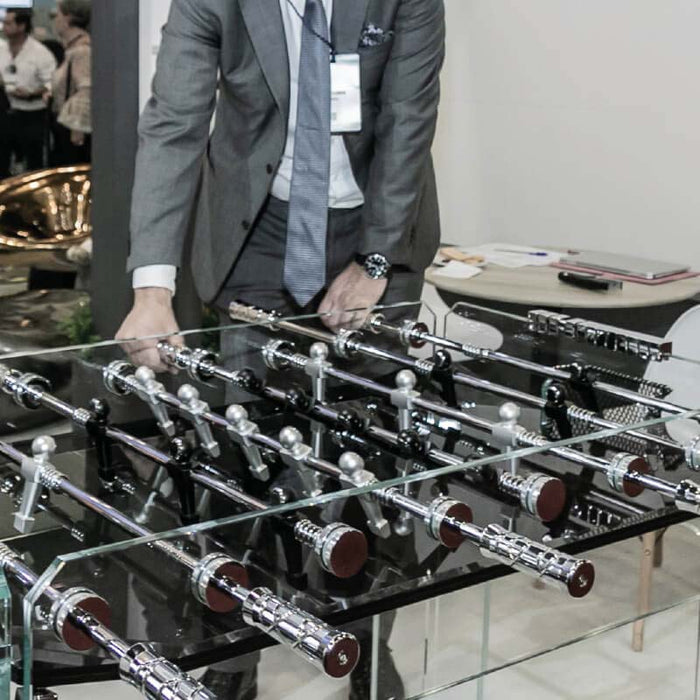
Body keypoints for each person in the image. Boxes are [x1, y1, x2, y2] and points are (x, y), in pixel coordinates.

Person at [116, 0, 446, 379]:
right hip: (257, 230)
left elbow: (407, 121)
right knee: (255, 413)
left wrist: (375, 261)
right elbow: (173, 128)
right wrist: (152, 291)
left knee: (375, 409)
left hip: (378, 223)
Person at [0, 8, 56, 178]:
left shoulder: (40, 53)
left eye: (8, 23)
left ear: (21, 26)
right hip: (4, 112)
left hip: (31, 115)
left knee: (34, 166)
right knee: (2, 162)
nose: (3, 26)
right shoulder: (1, 49)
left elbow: (52, 84)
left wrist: (32, 93)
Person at [49, 0, 92, 167]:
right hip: (65, 125)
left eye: (57, 15)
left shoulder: (82, 51)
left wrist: (77, 127)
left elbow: (86, 89)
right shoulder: (73, 50)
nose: (54, 19)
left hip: (72, 132)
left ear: (67, 18)